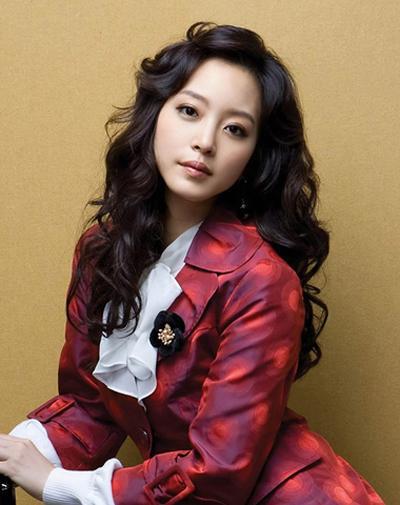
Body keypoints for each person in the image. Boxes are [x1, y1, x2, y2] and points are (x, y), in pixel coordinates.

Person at [0, 21, 385, 505]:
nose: (205, 141)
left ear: (255, 154)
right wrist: (16, 451)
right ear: (155, 114)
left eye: (235, 129)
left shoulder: (262, 280)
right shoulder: (103, 250)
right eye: (189, 111)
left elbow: (218, 473)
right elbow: (90, 406)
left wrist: (58, 485)